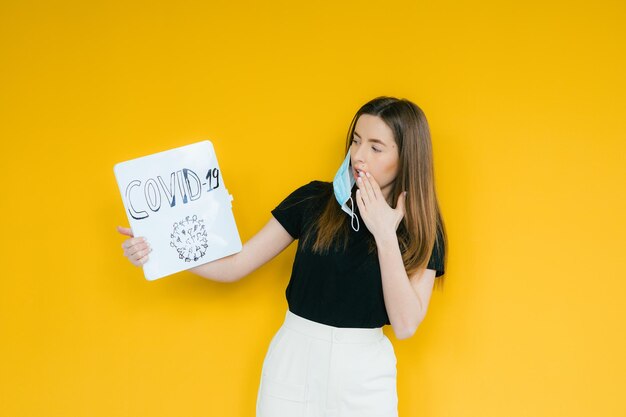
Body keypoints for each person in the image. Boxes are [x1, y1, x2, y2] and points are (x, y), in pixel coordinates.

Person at [117, 96, 447, 417]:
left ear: (407, 157)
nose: (359, 156)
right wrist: (160, 247)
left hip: (365, 376)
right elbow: (236, 265)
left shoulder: (423, 227)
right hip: (294, 363)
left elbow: (405, 325)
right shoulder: (314, 200)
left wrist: (385, 233)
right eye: (356, 141)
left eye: (376, 147)